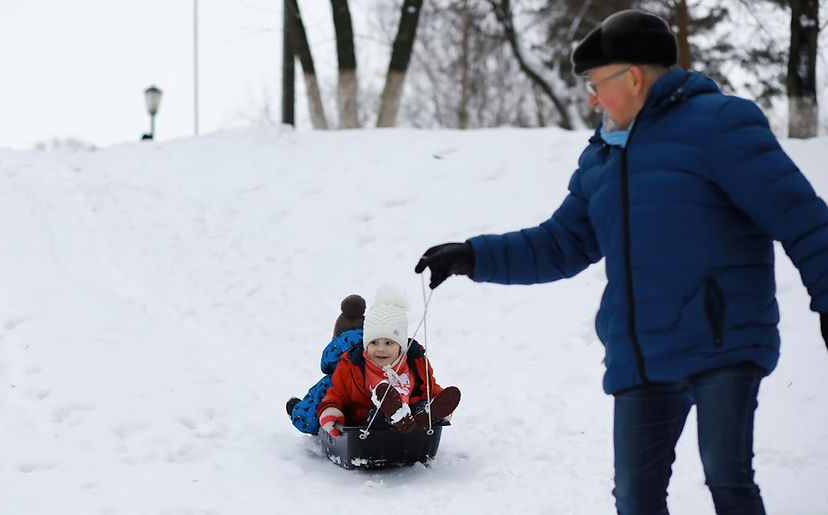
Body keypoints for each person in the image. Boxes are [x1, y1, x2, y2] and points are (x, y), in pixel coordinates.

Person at [414, 9, 828, 515]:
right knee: (635, 498)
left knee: (729, 481)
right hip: (641, 353)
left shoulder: (720, 125)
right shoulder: (602, 157)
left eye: (595, 83)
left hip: (721, 341)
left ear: (632, 77)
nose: (590, 97)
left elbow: (802, 218)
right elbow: (560, 243)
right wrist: (472, 255)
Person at [316, 285, 461, 437]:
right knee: (379, 413)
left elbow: (430, 388)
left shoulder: (414, 362)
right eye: (374, 343)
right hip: (368, 428)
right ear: (366, 345)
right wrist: (331, 413)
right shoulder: (352, 365)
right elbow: (336, 394)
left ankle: (427, 414)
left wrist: (441, 404)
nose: (380, 349)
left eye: (388, 343)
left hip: (412, 422)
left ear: (401, 346)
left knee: (421, 405)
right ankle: (395, 415)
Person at [286, 294, 367, 434]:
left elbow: (309, 421)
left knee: (323, 395)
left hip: (340, 420)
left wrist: (297, 413)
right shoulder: (377, 371)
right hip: (369, 414)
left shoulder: (332, 381)